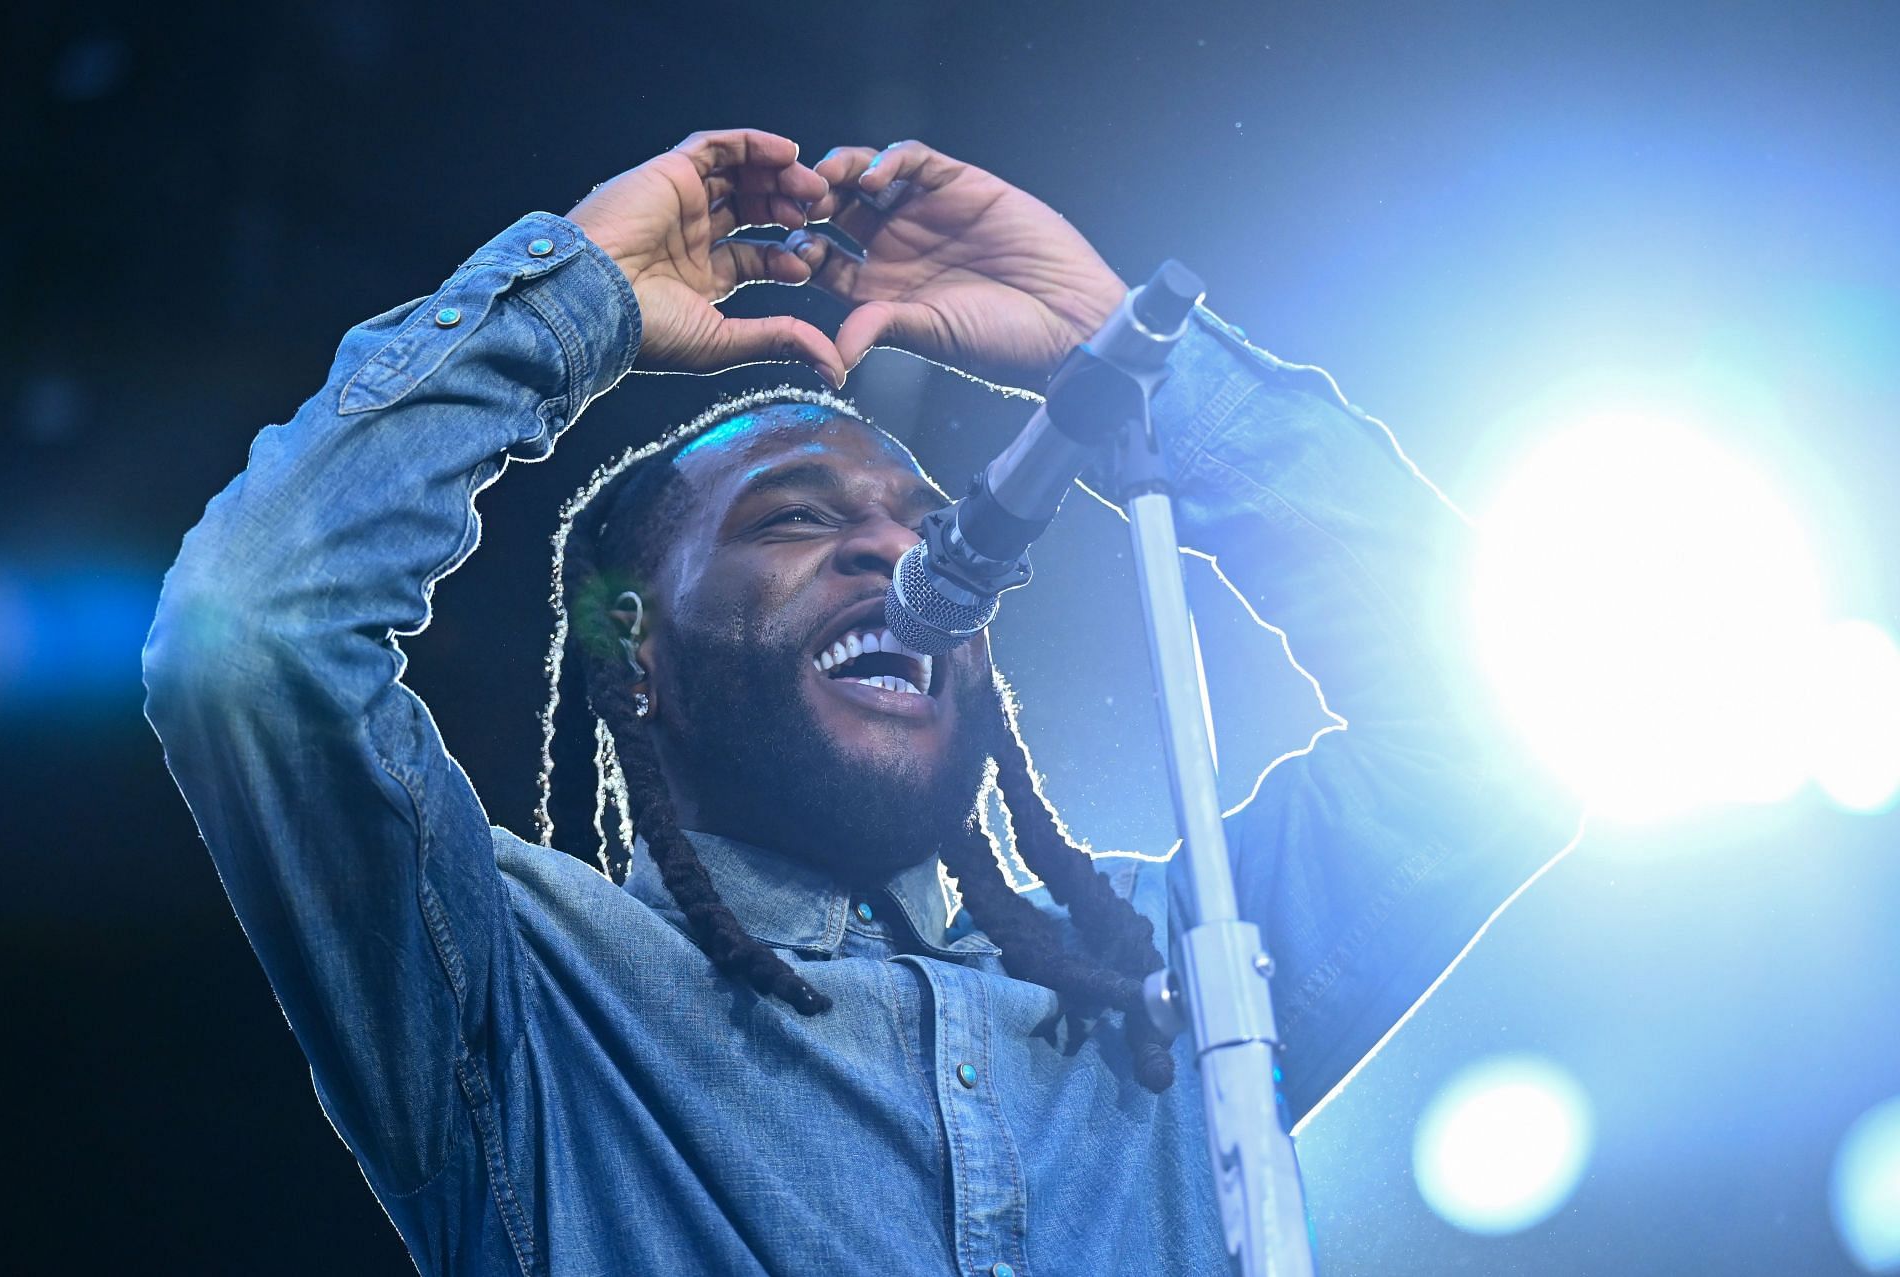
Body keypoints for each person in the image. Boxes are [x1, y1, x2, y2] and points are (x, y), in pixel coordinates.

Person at [143, 129, 1579, 1275]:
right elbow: (255, 631)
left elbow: (1502, 730)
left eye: (919, 519)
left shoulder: (1157, 975)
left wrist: (1132, 363)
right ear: (631, 644)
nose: (894, 548)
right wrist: (569, 299)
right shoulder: (522, 995)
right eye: (792, 518)